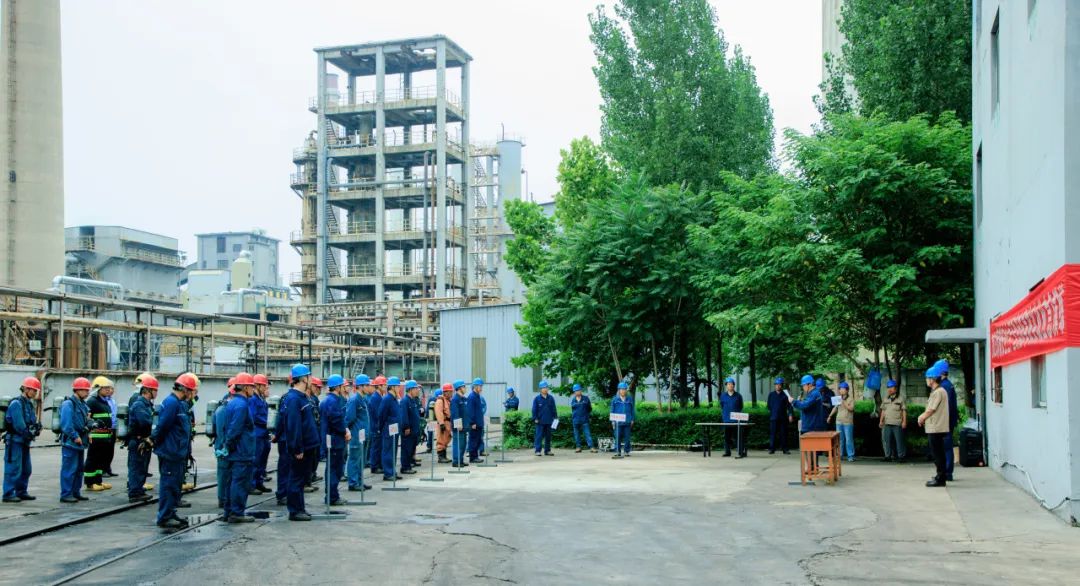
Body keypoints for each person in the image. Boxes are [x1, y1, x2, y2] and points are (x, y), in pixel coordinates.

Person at [152, 373, 197, 529]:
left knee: (174, 485)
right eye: (191, 391)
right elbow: (163, 426)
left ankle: (171, 513)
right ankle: (165, 517)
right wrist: (153, 441)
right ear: (184, 389)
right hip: (171, 452)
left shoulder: (180, 404)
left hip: (177, 452)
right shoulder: (171, 403)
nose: (192, 394)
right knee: (169, 485)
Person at [281, 364, 316, 521]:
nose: (311, 380)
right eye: (309, 377)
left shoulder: (302, 397)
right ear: (303, 379)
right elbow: (294, 426)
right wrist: (297, 448)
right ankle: (295, 511)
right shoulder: (294, 399)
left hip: (308, 446)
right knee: (296, 479)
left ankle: (300, 508)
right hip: (301, 449)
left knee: (301, 479)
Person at [223, 373, 257, 522]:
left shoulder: (232, 402)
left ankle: (229, 511)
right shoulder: (242, 405)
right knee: (240, 482)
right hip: (242, 451)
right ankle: (237, 513)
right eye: (251, 386)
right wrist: (229, 445)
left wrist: (227, 446)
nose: (253, 390)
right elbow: (235, 429)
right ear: (245, 388)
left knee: (232, 481)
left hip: (235, 451)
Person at [3, 376, 42, 502]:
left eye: (36, 391)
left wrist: (36, 428)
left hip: (24, 441)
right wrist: (29, 432)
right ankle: (8, 494)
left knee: (26, 469)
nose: (35, 393)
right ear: (26, 389)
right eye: (33, 390)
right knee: (13, 468)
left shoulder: (29, 404)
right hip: (14, 441)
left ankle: (21, 491)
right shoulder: (16, 404)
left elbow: (31, 421)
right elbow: (19, 425)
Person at [59, 378, 92, 503]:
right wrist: (74, 436)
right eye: (85, 390)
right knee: (69, 469)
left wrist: (88, 433)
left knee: (78, 469)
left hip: (80, 441)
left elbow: (85, 422)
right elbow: (66, 424)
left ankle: (75, 492)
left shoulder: (83, 404)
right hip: (71, 442)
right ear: (77, 390)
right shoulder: (68, 404)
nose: (87, 393)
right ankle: (66, 494)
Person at [126, 374, 158, 503]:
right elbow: (145, 422)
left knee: (142, 467)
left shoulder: (147, 405)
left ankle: (139, 489)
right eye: (155, 390)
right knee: (137, 467)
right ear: (148, 391)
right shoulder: (139, 405)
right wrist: (156, 421)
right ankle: (134, 492)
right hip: (138, 441)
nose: (156, 393)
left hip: (144, 441)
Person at [320, 375, 351, 504]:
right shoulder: (333, 402)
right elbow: (337, 421)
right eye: (342, 386)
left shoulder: (327, 400)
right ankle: (332, 497)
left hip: (331, 440)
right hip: (335, 441)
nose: (344, 388)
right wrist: (345, 431)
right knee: (335, 470)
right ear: (337, 387)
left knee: (332, 469)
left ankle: (332, 495)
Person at [918, 365, 950, 487]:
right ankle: (940, 476)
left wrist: (921, 417)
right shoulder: (938, 391)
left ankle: (940, 478)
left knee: (938, 454)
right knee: (938, 453)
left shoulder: (938, 392)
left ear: (932, 379)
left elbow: (931, 409)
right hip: (936, 427)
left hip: (936, 428)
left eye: (927, 378)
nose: (926, 380)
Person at [84, 377, 116, 492]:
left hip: (104, 437)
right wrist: (89, 433)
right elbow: (87, 418)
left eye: (109, 388)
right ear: (98, 388)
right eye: (105, 388)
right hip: (95, 437)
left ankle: (98, 481)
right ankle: (90, 483)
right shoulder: (92, 401)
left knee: (100, 460)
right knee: (92, 459)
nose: (108, 390)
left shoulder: (104, 401)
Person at [346, 374, 372, 491]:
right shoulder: (354, 400)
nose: (368, 387)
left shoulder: (363, 399)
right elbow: (349, 418)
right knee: (354, 459)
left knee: (361, 460)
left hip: (364, 435)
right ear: (360, 386)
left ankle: (359, 481)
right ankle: (353, 482)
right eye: (366, 385)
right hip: (357, 435)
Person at [213, 378, 237, 509]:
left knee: (228, 475)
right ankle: (222, 500)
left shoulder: (225, 408)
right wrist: (225, 447)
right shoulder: (223, 410)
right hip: (223, 447)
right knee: (223, 475)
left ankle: (226, 498)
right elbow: (221, 432)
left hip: (226, 446)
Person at [934, 359, 958, 481]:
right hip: (948, 421)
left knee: (946, 448)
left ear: (940, 373)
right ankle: (946, 472)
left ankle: (947, 473)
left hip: (945, 422)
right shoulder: (948, 385)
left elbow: (945, 407)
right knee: (946, 447)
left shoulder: (944, 387)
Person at [250, 374, 272, 493]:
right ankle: (252, 484)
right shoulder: (253, 400)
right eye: (264, 386)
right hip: (258, 433)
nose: (265, 388)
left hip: (264, 433)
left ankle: (259, 482)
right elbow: (254, 416)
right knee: (256, 460)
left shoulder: (261, 399)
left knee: (262, 460)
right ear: (257, 386)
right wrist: (267, 422)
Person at [379, 377, 404, 481]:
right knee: (388, 451)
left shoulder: (394, 399)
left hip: (395, 430)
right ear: (392, 387)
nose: (399, 388)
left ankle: (392, 471)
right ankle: (388, 473)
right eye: (397, 386)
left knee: (393, 451)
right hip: (388, 429)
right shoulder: (387, 399)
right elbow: (381, 415)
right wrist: (382, 428)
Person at [878, 379, 907, 462]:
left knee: (899, 441)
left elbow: (904, 411)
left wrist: (904, 422)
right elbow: (883, 411)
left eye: (891, 387)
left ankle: (901, 456)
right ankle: (888, 456)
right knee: (887, 440)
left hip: (897, 423)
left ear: (896, 389)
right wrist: (881, 421)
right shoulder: (885, 399)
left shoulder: (900, 399)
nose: (889, 389)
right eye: (888, 387)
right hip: (887, 423)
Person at [827, 381, 856, 462]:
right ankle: (840, 455)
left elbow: (851, 409)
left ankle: (850, 456)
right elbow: (835, 408)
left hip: (848, 422)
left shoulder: (851, 399)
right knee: (840, 439)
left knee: (848, 439)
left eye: (843, 389)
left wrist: (843, 402)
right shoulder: (838, 398)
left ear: (847, 390)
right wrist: (830, 416)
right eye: (840, 389)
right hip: (839, 422)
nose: (841, 390)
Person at [718, 377, 745, 457]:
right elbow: (722, 406)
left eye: (731, 384)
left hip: (736, 420)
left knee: (738, 437)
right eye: (728, 384)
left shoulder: (738, 396)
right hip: (726, 420)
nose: (730, 385)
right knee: (727, 437)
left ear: (734, 385)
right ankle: (727, 452)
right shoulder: (723, 396)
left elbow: (740, 406)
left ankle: (740, 452)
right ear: (726, 386)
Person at [766, 377, 794, 454]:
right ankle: (772, 449)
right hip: (773, 417)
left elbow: (790, 406)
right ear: (775, 385)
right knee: (773, 434)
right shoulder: (771, 395)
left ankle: (785, 449)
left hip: (783, 418)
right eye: (776, 384)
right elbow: (769, 406)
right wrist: (773, 412)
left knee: (784, 434)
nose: (778, 386)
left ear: (782, 385)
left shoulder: (785, 395)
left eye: (779, 385)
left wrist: (790, 414)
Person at [400, 380, 422, 474]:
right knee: (406, 449)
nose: (417, 390)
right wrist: (406, 427)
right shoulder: (405, 401)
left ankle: (409, 464)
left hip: (414, 430)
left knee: (411, 448)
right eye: (415, 389)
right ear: (410, 390)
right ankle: (405, 467)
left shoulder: (413, 400)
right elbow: (404, 416)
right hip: (408, 430)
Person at [307, 377, 324, 488]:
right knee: (311, 457)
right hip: (312, 433)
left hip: (316, 431)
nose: (319, 390)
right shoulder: (309, 399)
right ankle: (308, 478)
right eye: (317, 387)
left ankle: (312, 475)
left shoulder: (314, 399)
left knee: (315, 456)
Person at [532, 381, 557, 456]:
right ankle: (537, 450)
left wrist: (555, 418)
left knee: (548, 437)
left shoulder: (551, 398)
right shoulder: (537, 399)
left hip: (549, 421)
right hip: (540, 421)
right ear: (540, 389)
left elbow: (554, 409)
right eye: (544, 388)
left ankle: (547, 450)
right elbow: (534, 409)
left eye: (546, 387)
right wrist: (535, 418)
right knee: (539, 436)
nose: (545, 389)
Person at [367, 376, 387, 476]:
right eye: (384, 385)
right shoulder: (375, 398)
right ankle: (374, 466)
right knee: (376, 447)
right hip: (376, 427)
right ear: (379, 386)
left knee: (379, 447)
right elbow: (377, 414)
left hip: (378, 426)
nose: (386, 387)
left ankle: (378, 464)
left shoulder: (379, 397)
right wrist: (379, 426)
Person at [449, 380, 471, 467]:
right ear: (459, 388)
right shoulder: (455, 399)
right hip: (459, 426)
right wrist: (458, 425)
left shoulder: (463, 399)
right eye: (463, 387)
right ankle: (456, 461)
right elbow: (455, 413)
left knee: (463, 444)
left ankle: (460, 460)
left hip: (464, 426)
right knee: (458, 444)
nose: (465, 388)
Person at [610, 382, 635, 458]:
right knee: (617, 437)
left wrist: (632, 419)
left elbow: (632, 409)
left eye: (624, 389)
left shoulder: (629, 399)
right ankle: (618, 451)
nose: (623, 391)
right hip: (618, 422)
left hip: (627, 421)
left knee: (627, 437)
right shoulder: (615, 399)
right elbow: (612, 410)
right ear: (619, 390)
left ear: (626, 390)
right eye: (621, 389)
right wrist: (612, 421)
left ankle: (627, 451)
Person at [570, 384, 595, 453]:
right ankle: (578, 447)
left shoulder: (586, 398)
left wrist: (586, 415)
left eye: (578, 390)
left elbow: (589, 408)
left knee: (587, 434)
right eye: (576, 391)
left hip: (584, 420)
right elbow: (573, 410)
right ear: (574, 392)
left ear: (581, 391)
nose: (577, 392)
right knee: (577, 434)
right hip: (576, 420)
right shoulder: (573, 400)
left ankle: (591, 447)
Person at [466, 378, 485, 464]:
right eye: (480, 386)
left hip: (479, 423)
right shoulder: (472, 397)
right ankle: (473, 457)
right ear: (475, 386)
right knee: (473, 440)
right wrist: (472, 422)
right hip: (474, 424)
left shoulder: (477, 396)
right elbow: (470, 411)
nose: (481, 388)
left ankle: (475, 456)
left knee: (477, 440)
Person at [434, 383, 453, 463]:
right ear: (445, 392)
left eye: (451, 392)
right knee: (441, 440)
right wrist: (441, 423)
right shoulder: (440, 401)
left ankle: (444, 456)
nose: (451, 393)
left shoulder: (448, 401)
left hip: (448, 423)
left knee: (446, 440)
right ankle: (441, 457)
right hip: (443, 423)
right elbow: (439, 412)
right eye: (450, 392)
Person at [103, 384, 118, 479]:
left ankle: (108, 469)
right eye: (108, 388)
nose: (110, 390)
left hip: (113, 428)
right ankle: (103, 470)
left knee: (110, 451)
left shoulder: (113, 401)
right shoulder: (103, 401)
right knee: (104, 450)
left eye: (112, 388)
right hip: (105, 429)